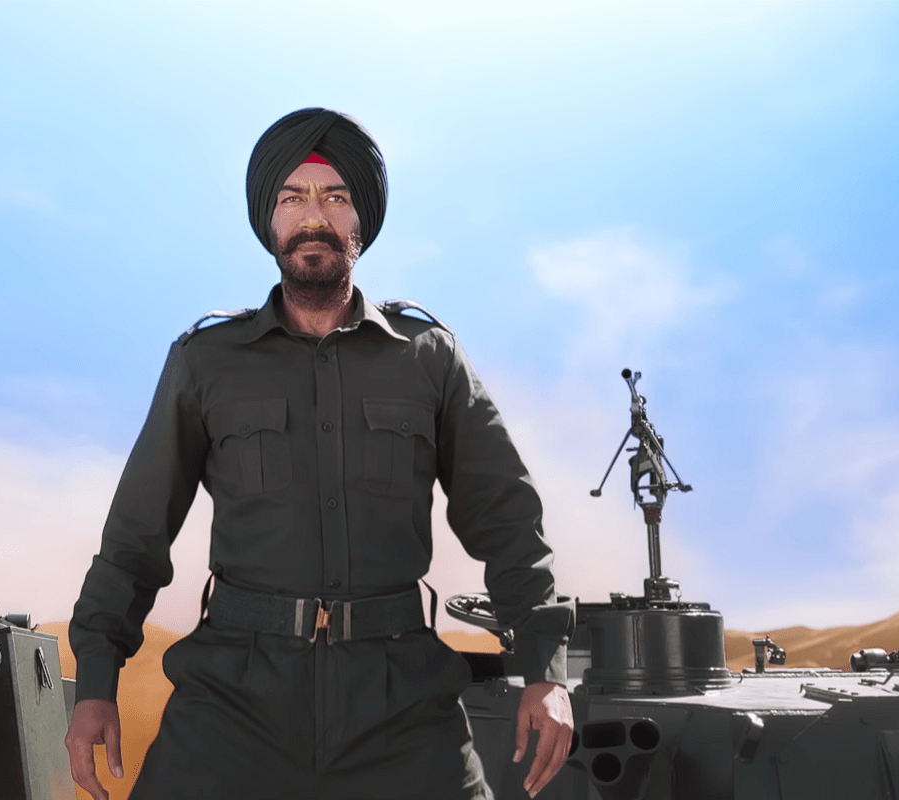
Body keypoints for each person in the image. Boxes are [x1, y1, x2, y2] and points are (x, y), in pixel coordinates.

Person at [64, 108, 575, 800]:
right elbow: (135, 537)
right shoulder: (206, 361)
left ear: (361, 220)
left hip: (400, 703)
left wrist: (546, 670)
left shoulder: (429, 357)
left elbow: (507, 517)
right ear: (269, 222)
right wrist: (96, 683)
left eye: (335, 197)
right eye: (292, 197)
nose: (314, 215)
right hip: (234, 703)